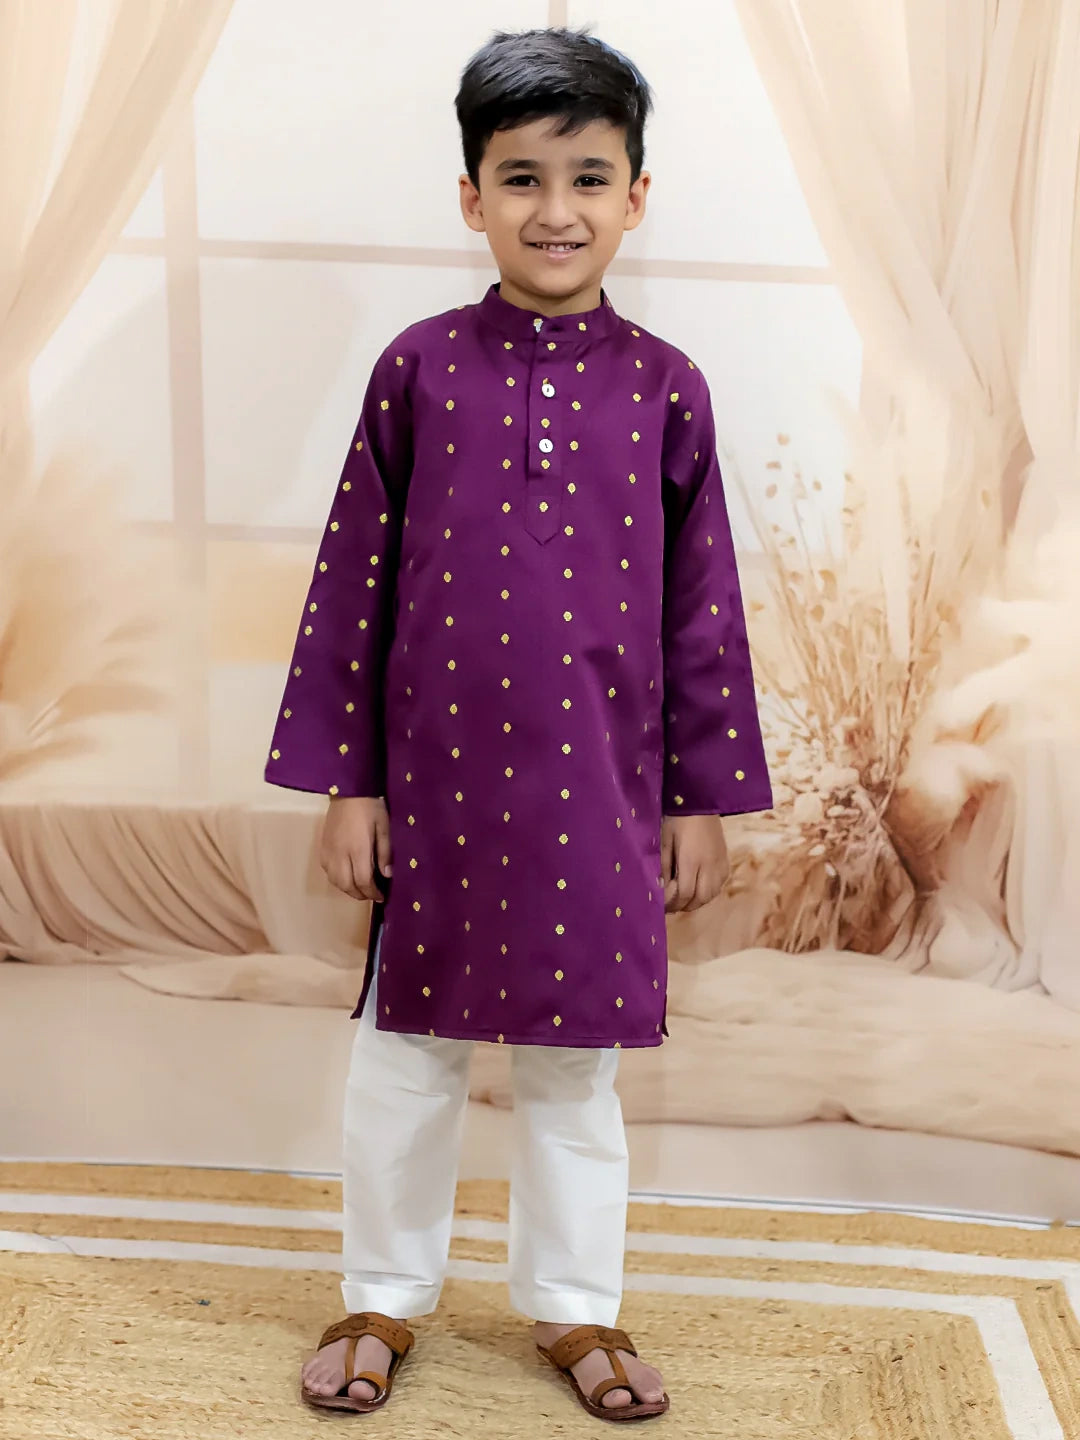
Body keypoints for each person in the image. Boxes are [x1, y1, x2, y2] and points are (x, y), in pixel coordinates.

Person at [264, 25, 772, 1424]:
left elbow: (704, 610)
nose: (558, 210)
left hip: (601, 791)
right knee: (405, 1056)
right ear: (471, 196)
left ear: (637, 197)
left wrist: (699, 801)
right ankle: (383, 1291)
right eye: (523, 178)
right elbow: (354, 586)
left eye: (589, 178)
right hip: (432, 788)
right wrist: (350, 783)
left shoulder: (666, 387)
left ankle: (575, 1307)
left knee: (574, 1069)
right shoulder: (418, 370)